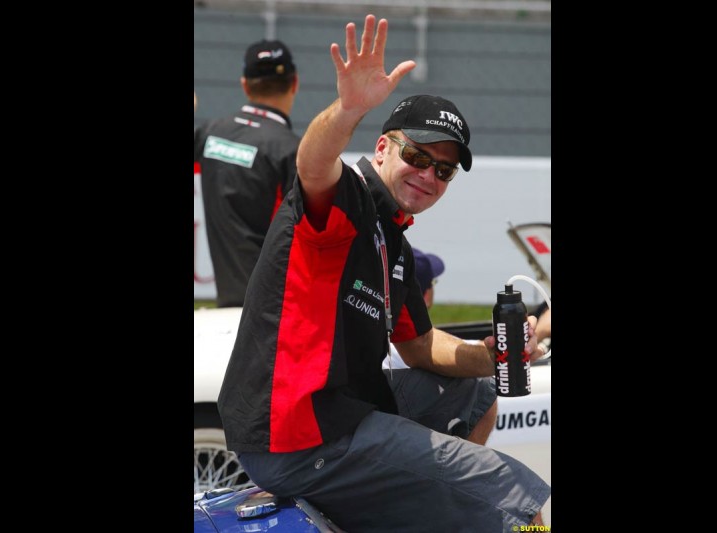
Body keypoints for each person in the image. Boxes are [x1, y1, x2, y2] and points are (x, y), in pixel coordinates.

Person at [218, 15, 549, 531]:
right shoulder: (346, 200)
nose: (428, 175)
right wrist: (349, 109)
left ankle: (427, 510)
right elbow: (311, 165)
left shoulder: (393, 238)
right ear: (382, 148)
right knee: (507, 491)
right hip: (299, 439)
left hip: (344, 414)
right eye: (417, 155)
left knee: (479, 398)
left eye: (443, 170)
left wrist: (489, 357)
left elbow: (419, 347)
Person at [194, 39, 300, 307]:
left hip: (233, 305)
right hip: (277, 312)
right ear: (295, 83)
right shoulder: (294, 152)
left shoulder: (209, 134)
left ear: (244, 84)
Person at [383, 248, 498, 445]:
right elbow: (455, 351)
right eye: (433, 282)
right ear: (424, 296)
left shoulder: (380, 338)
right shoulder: (407, 347)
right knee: (484, 391)